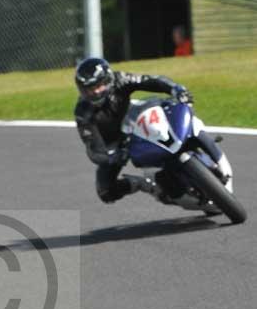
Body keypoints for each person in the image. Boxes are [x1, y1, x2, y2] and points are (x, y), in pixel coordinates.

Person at [74, 56, 194, 204]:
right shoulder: (83, 113)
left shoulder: (120, 79)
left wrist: (175, 88)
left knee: (169, 108)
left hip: (133, 119)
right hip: (116, 145)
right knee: (105, 191)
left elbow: (150, 80)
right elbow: (93, 148)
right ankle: (144, 184)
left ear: (108, 80)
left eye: (99, 86)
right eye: (89, 89)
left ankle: (195, 137)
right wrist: (111, 157)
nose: (96, 92)